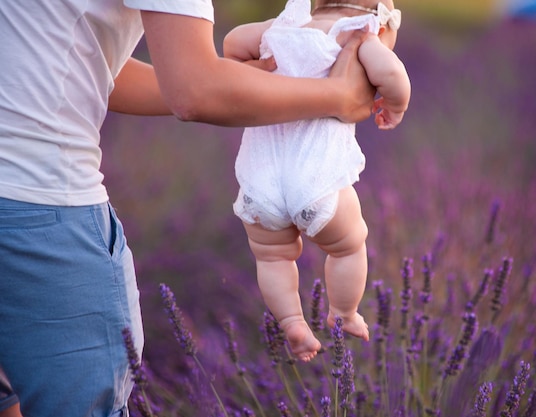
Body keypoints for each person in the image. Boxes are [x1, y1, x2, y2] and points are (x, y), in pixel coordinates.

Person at [0, 0, 376, 416]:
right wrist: (338, 96)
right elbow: (195, 93)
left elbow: (77, 64)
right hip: (41, 202)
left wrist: (238, 79)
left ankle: (295, 319)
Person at [224, 0, 411, 362]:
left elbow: (232, 42)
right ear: (379, 18)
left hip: (259, 183)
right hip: (317, 182)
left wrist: (254, 59)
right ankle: (343, 312)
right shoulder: (358, 36)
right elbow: (393, 76)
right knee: (348, 246)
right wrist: (396, 106)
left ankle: (292, 320)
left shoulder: (280, 29)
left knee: (272, 257)